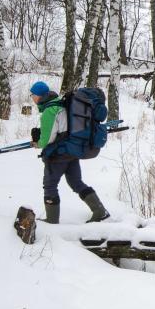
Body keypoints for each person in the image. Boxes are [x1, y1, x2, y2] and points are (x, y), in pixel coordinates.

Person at [30, 81, 110, 224]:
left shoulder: (50, 110)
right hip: (72, 151)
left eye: (33, 95)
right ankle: (99, 211)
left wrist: (37, 143)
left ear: (38, 96)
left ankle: (51, 220)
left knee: (50, 185)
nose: (32, 98)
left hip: (59, 154)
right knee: (76, 182)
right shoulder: (61, 103)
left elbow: (48, 139)